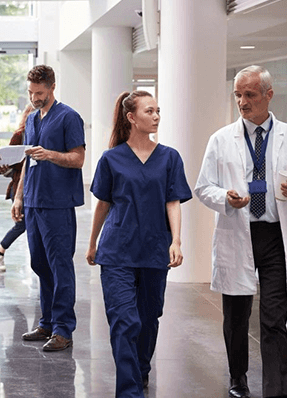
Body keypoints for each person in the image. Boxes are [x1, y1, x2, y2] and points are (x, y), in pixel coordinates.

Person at [86, 91, 192, 397]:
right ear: (131, 117)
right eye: (150, 111)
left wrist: (177, 241)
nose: (156, 116)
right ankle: (129, 391)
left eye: (158, 110)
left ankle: (140, 368)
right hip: (117, 250)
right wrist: (92, 243)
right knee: (124, 320)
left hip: (155, 249)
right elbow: (103, 205)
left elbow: (173, 202)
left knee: (148, 319)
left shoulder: (169, 157)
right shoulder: (111, 158)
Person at [195, 65, 287, 398]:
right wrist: (225, 198)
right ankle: (238, 379)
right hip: (239, 232)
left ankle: (277, 388)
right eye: (238, 95)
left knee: (275, 317)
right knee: (236, 316)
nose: (242, 102)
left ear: (268, 95)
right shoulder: (221, 140)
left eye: (249, 94)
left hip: (276, 236)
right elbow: (203, 187)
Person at [11, 64, 85, 352]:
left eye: (39, 93)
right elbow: (28, 162)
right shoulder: (31, 118)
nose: (34, 98)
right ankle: (47, 323)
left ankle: (64, 329)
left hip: (57, 203)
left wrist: (51, 155)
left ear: (52, 87)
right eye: (30, 92)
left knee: (60, 266)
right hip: (33, 201)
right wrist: (19, 197)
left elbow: (78, 158)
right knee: (40, 265)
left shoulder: (69, 117)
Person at [0, 104, 33, 271]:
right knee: (21, 224)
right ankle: (0, 251)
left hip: (35, 186)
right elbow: (7, 160)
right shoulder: (19, 135)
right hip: (19, 186)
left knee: (30, 225)